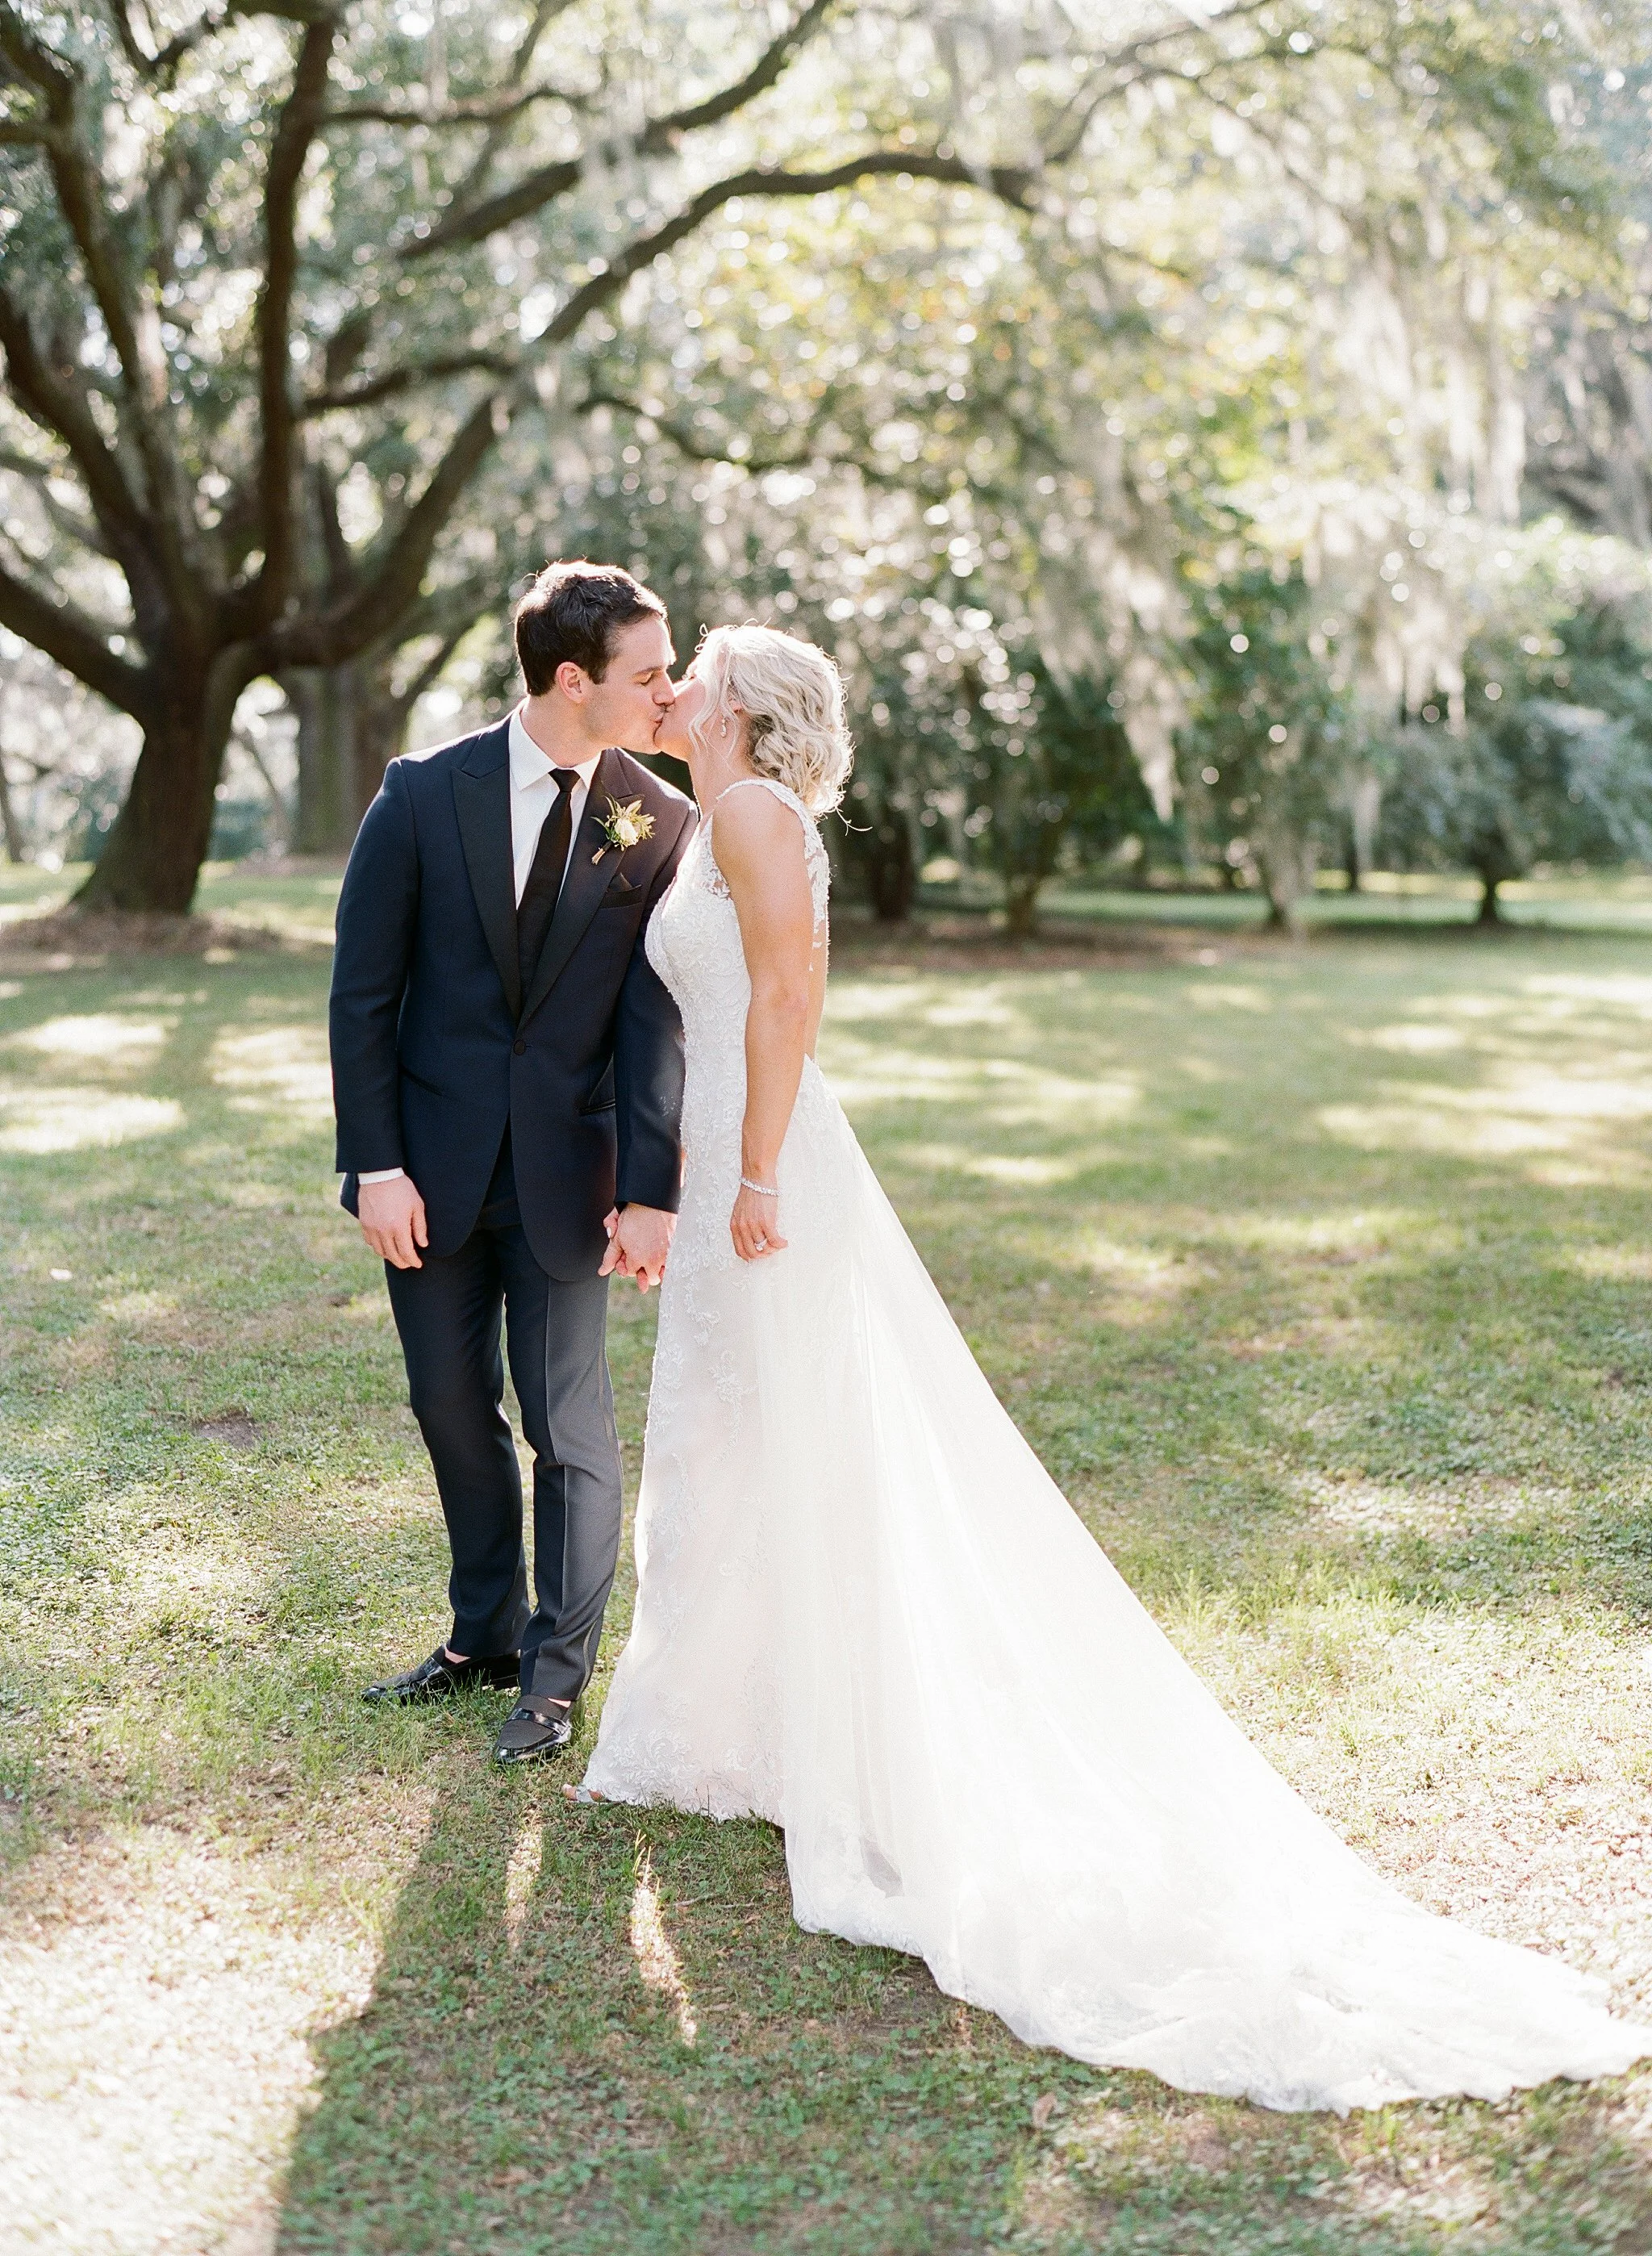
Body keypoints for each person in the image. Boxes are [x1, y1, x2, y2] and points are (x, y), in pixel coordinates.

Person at [576, 619, 1652, 2112]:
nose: (673, 681)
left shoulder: (750, 813)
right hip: (723, 1163)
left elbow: (785, 1000)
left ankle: (782, 1735)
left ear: (746, 711)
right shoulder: (704, 814)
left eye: (696, 670)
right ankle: (727, 1725)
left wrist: (752, 1173)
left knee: (776, 1444)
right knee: (728, 1446)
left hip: (764, 1170)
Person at [330, 561, 695, 1766]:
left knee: (569, 1427)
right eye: (648, 674)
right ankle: (480, 1633)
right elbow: (364, 996)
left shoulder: (660, 819)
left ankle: (552, 1674)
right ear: (573, 679)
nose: (669, 692)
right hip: (425, 1175)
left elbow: (653, 1022)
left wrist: (650, 1190)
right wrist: (374, 1165)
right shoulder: (424, 793)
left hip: (568, 1185)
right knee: (449, 1406)